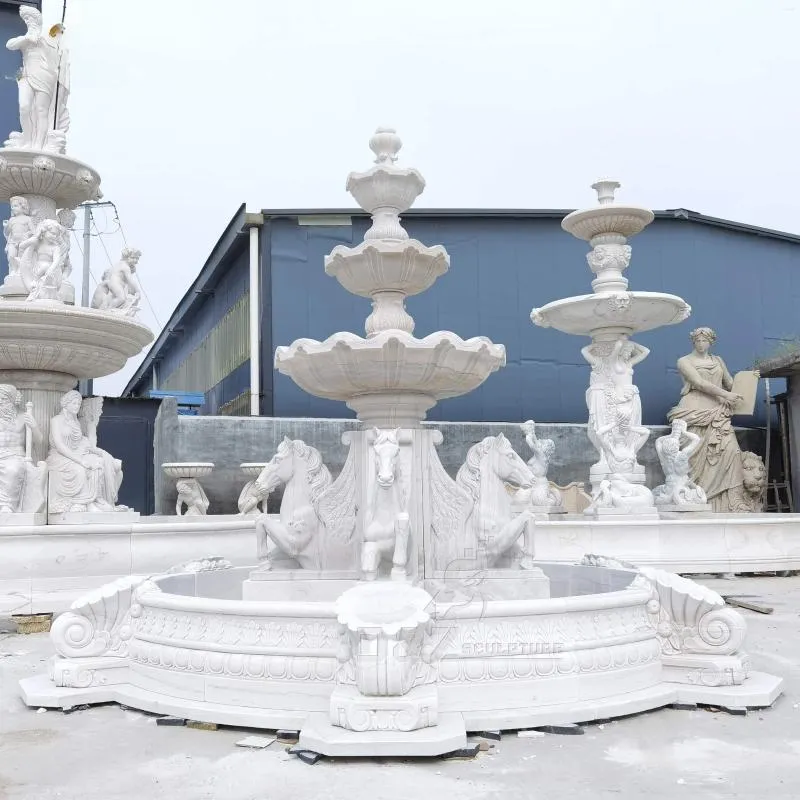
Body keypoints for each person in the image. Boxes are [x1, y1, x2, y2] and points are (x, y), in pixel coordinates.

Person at [667, 327, 751, 512]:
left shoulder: (718, 360)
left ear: (711, 342)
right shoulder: (684, 361)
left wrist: (749, 380)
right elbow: (699, 383)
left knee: (732, 453)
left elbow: (730, 383)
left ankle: (732, 503)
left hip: (719, 412)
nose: (701, 343)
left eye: (705, 340)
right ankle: (696, 497)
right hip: (695, 410)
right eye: (698, 340)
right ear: (693, 342)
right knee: (695, 455)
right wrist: (725, 395)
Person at [47, 390, 122, 513]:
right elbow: (60, 446)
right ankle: (84, 502)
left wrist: (98, 453)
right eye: (74, 403)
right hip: (59, 456)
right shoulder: (56, 420)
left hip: (75, 454)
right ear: (66, 404)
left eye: (78, 404)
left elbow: (83, 442)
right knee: (80, 469)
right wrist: (81, 460)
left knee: (98, 463)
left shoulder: (76, 422)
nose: (77, 406)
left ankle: (95, 500)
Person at [6, 7, 69, 151]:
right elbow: (9, 45)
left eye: (30, 19)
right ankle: (28, 139)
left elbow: (56, 54)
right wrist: (27, 38)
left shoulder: (46, 38)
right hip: (26, 77)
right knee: (24, 107)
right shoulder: (25, 39)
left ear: (37, 21)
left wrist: (48, 40)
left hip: (44, 77)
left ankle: (39, 144)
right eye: (26, 19)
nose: (28, 21)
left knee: (41, 111)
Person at [0, 384, 40, 512]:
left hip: (15, 455)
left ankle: (7, 505)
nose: (0, 402)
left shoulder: (23, 417)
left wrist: (34, 426)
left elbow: (39, 440)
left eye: (4, 399)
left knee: (13, 469)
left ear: (12, 401)